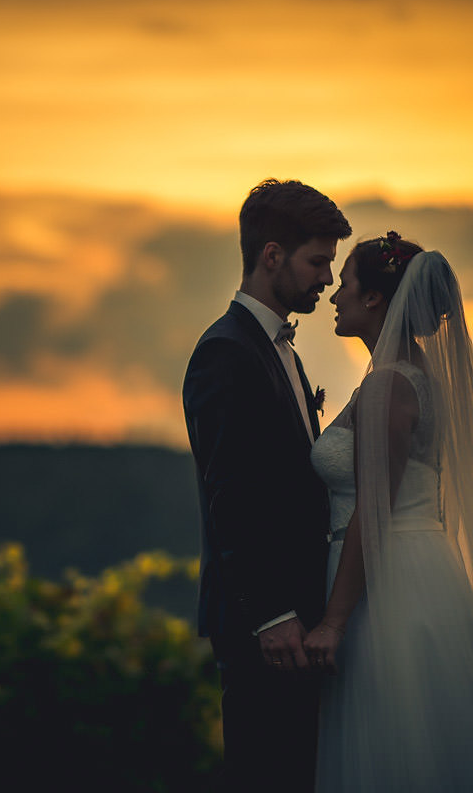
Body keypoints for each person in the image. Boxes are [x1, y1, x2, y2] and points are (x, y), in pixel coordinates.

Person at [304, 233, 473, 791]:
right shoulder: (407, 378)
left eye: (344, 282)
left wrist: (333, 621)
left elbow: (373, 512)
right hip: (419, 567)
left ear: (373, 299)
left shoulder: (389, 387)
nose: (334, 295)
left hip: (389, 583)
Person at [182, 178, 351, 791]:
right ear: (272, 255)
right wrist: (271, 614)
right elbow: (233, 495)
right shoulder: (226, 353)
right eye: (318, 262)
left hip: (298, 618)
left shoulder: (280, 350)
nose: (327, 280)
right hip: (266, 629)